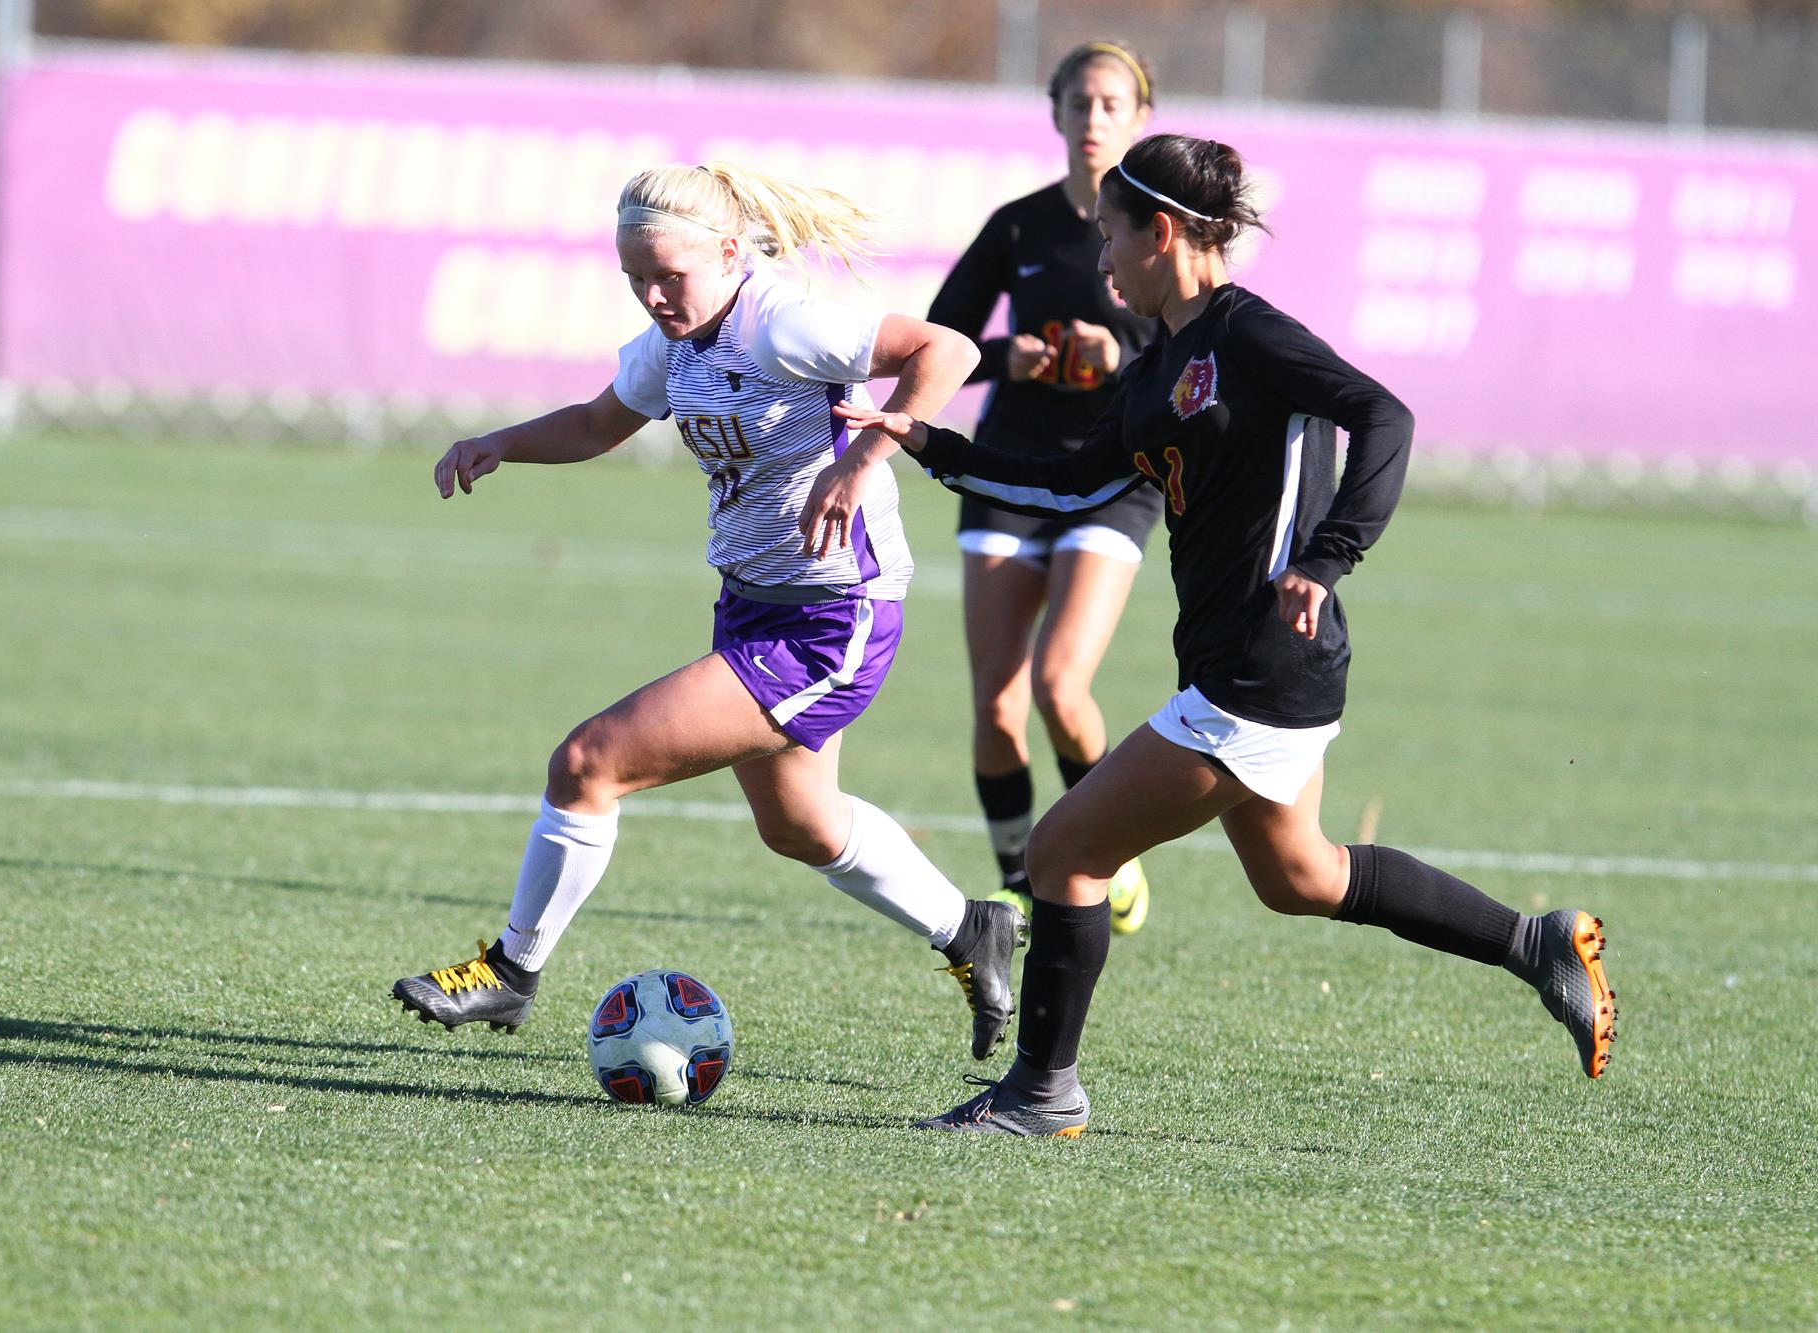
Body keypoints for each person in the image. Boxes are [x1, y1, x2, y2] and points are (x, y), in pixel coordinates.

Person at [833, 134, 1618, 1137]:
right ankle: (1533, 943)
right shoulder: (1155, 365)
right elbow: (1068, 486)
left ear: (1161, 232)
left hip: (1263, 665)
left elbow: (1384, 414)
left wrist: (1327, 557)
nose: (1102, 258)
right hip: (1238, 662)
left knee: (1063, 849)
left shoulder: (1248, 333)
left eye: (1111, 235)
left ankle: (1040, 1093)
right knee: (1301, 877)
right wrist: (928, 443)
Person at [391, 161, 1030, 1063]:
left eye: (669, 276)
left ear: (731, 254)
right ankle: (972, 928)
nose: (653, 296)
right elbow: (597, 424)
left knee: (587, 763)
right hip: (751, 606)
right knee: (801, 824)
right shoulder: (679, 340)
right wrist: (499, 442)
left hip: (830, 620)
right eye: (635, 279)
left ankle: (511, 970)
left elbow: (948, 350)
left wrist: (865, 459)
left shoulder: (784, 325)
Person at [926, 41, 1165, 935]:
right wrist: (1006, 357)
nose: (1094, 118)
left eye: (1112, 103)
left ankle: (1107, 850)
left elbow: (1197, 347)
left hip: (1112, 476)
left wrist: (1122, 352)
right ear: (1056, 113)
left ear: (1141, 117)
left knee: (1062, 688)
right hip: (1010, 472)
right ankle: (1021, 884)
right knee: (997, 704)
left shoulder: (1159, 224)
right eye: (1080, 102)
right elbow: (939, 337)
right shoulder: (1020, 225)